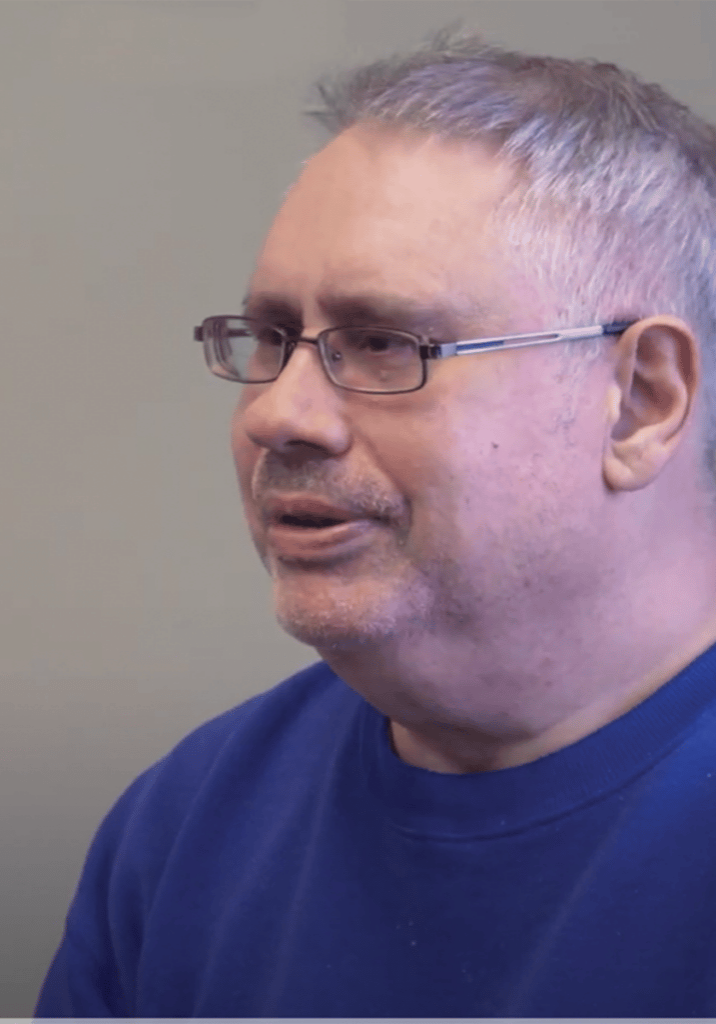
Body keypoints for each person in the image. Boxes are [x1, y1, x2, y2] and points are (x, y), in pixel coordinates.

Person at [34, 25, 716, 1017]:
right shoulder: (186, 824)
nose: (276, 412)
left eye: (386, 343)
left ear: (639, 400)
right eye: (270, 339)